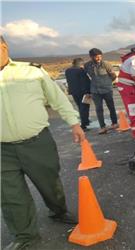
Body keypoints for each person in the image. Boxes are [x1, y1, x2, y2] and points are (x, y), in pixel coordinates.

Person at [0, 35, 85, 250]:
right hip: (2, 150)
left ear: (3, 47)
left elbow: (58, 98)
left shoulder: (32, 71)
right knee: (11, 196)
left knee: (49, 183)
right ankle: (25, 236)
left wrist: (74, 123)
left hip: (37, 143)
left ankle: (58, 211)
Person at [84, 48, 118, 134]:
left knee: (111, 107)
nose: (98, 58)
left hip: (107, 89)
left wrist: (108, 83)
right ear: (91, 57)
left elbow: (113, 76)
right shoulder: (87, 65)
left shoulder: (106, 64)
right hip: (95, 91)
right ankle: (102, 127)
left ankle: (114, 123)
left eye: (100, 56)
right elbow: (86, 76)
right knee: (99, 109)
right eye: (96, 57)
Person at [65, 58, 91, 130]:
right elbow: (85, 82)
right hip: (83, 92)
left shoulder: (67, 71)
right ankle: (83, 125)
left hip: (73, 91)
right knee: (85, 107)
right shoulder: (81, 71)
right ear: (80, 64)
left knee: (80, 107)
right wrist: (88, 92)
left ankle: (85, 121)